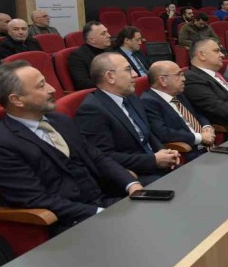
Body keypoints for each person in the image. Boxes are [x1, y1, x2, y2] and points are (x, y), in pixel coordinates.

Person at [0, 61, 143, 235]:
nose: (52, 89)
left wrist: (131, 184)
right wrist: (100, 213)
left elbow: (96, 157)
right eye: (41, 86)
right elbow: (35, 200)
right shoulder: (0, 144)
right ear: (17, 100)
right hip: (69, 223)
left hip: (105, 201)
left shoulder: (60, 120)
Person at [75, 53, 179, 184]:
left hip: (155, 165)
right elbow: (104, 156)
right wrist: (153, 160)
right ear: (110, 77)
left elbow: (147, 134)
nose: (135, 74)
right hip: (132, 175)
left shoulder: (130, 97)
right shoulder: (92, 110)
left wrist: (164, 152)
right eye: (128, 69)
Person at [141, 61, 214, 161]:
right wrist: (200, 137)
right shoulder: (148, 101)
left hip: (209, 147)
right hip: (190, 154)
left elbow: (196, 113)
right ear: (163, 80)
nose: (184, 79)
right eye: (179, 75)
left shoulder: (178, 94)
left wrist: (206, 126)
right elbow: (163, 133)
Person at [68, 21, 111, 90]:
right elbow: (83, 83)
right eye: (103, 34)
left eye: (107, 32)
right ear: (92, 40)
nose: (109, 35)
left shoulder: (110, 50)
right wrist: (110, 84)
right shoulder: (77, 57)